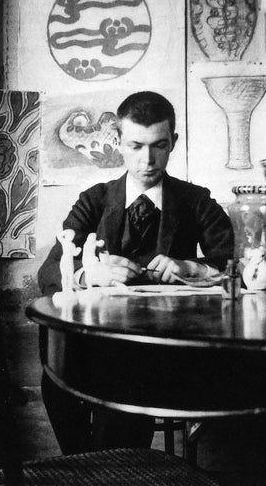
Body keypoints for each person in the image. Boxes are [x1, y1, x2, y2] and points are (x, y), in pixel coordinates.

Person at [37, 90, 234, 454]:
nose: (148, 160)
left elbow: (240, 266)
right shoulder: (94, 201)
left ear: (173, 142)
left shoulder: (195, 201)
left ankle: (103, 473)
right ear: (118, 142)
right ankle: (85, 466)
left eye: (159, 145)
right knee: (55, 372)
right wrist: (88, 274)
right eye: (136, 146)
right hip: (98, 345)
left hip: (166, 351)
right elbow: (51, 269)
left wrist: (193, 267)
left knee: (126, 381)